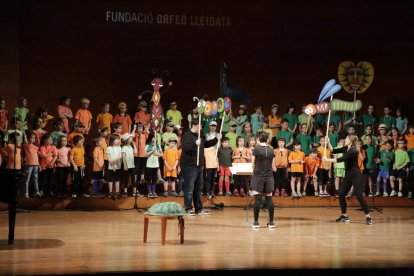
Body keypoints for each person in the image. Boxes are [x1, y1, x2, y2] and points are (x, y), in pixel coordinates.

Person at [324, 135, 372, 225]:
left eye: (346, 138)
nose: (344, 139)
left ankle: (368, 217)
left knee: (359, 196)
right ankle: (345, 216)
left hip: (356, 174)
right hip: (348, 174)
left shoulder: (353, 151)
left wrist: (327, 159)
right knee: (341, 194)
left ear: (351, 141)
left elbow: (341, 159)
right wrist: (328, 142)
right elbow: (333, 150)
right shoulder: (346, 148)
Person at [181, 119, 220, 215]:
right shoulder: (187, 135)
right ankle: (188, 208)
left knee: (198, 188)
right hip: (189, 165)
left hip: (199, 165)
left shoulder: (200, 135)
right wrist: (195, 144)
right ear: (194, 125)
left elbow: (206, 145)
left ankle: (199, 208)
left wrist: (216, 139)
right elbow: (185, 148)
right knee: (189, 188)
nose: (201, 128)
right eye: (200, 126)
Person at [250, 131, 276, 229]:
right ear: (267, 139)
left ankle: (256, 223)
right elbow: (274, 166)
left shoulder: (256, 149)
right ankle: (271, 223)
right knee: (269, 199)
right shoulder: (271, 150)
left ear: (258, 140)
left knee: (257, 199)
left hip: (258, 176)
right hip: (269, 176)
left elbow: (252, 164)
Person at [144, 131, 163, 198]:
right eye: (154, 138)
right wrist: (152, 151)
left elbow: (161, 154)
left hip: (156, 164)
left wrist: (156, 154)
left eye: (157, 138)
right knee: (149, 178)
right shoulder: (148, 145)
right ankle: (149, 192)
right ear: (151, 138)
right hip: (149, 165)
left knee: (154, 178)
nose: (156, 139)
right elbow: (145, 155)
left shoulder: (158, 146)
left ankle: (154, 191)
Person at [23, 132, 41, 198]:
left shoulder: (35, 147)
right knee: (27, 179)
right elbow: (25, 142)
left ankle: (37, 192)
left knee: (35, 179)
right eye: (32, 138)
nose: (33, 139)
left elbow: (37, 156)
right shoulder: (27, 145)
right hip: (29, 165)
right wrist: (24, 137)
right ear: (28, 139)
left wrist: (39, 165)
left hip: (36, 165)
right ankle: (26, 193)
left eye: (34, 138)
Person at [204, 121, 219, 199]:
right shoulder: (207, 135)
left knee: (213, 177)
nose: (213, 127)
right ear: (209, 126)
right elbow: (207, 145)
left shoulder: (218, 135)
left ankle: (212, 191)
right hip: (209, 156)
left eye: (214, 126)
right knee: (209, 177)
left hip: (215, 155)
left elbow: (218, 145)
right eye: (211, 126)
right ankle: (207, 192)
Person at [132, 124, 148, 197]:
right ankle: (136, 178)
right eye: (139, 128)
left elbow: (149, 135)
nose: (140, 129)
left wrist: (146, 128)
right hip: (136, 155)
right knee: (137, 167)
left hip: (143, 154)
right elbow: (131, 137)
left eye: (141, 128)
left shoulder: (144, 135)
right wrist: (134, 128)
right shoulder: (135, 134)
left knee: (143, 166)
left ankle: (142, 178)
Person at [106, 134, 123, 199]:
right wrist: (112, 166)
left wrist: (114, 160)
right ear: (112, 140)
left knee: (117, 179)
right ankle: (110, 192)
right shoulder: (109, 148)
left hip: (118, 166)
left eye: (119, 139)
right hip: (111, 167)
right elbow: (109, 158)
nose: (118, 140)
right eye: (117, 139)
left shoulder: (119, 148)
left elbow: (120, 157)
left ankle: (117, 192)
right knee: (110, 180)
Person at [121, 133, 137, 197]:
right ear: (127, 139)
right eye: (130, 138)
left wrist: (134, 145)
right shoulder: (124, 147)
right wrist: (125, 165)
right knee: (126, 179)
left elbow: (135, 152)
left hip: (132, 166)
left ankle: (135, 192)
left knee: (133, 179)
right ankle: (125, 192)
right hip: (127, 166)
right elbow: (123, 157)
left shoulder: (131, 147)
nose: (132, 139)